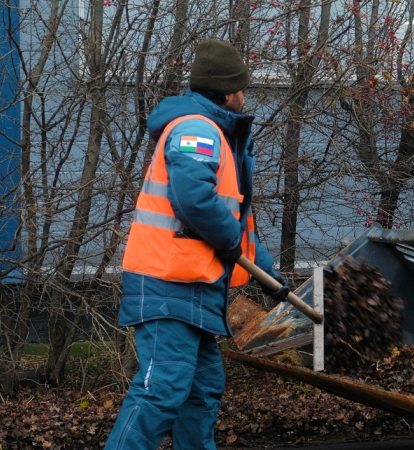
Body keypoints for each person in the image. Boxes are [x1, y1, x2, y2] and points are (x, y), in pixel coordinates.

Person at [104, 39, 290, 450]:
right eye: (242, 88)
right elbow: (195, 200)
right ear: (226, 92)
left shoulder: (215, 134)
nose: (245, 96)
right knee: (162, 390)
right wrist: (228, 244)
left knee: (202, 390)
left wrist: (272, 276)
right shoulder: (196, 131)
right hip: (168, 284)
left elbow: (233, 222)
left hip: (194, 288)